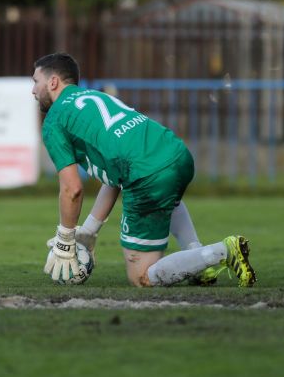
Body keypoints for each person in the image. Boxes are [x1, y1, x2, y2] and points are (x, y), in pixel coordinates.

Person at [32, 52, 256, 287]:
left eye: (35, 81)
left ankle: (222, 251)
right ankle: (198, 260)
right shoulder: (94, 97)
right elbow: (115, 177)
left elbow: (72, 189)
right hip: (176, 152)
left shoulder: (55, 120)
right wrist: (89, 231)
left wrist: (65, 240)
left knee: (141, 276)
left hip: (147, 174)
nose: (33, 91)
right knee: (167, 198)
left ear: (53, 82)